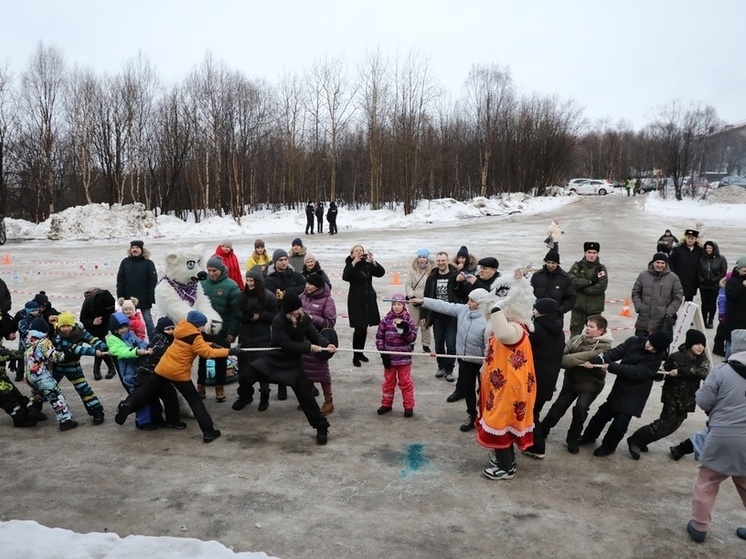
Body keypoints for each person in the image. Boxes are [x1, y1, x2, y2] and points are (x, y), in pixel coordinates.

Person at [231, 293, 335, 445]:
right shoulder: (278, 320)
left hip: (293, 363)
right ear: (288, 311)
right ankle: (246, 396)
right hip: (275, 358)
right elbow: (285, 344)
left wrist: (326, 344)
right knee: (246, 376)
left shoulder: (303, 318)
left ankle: (321, 427)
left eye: (300, 308)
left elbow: (314, 334)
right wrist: (310, 348)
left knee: (306, 397)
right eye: (296, 309)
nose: (299, 311)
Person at [115, 311, 232, 443]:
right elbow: (207, 352)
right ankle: (209, 431)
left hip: (163, 367)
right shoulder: (195, 336)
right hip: (179, 373)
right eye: (202, 325)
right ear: (197, 325)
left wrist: (210, 343)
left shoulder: (181, 328)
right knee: (194, 401)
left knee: (145, 390)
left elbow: (192, 344)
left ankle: (127, 405)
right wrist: (230, 351)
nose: (203, 328)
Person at [475, 269, 537, 481]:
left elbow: (502, 333)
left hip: (510, 390)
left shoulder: (517, 329)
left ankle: (506, 468)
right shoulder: (508, 325)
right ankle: (505, 461)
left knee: (501, 424)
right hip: (501, 387)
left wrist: (495, 306)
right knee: (502, 425)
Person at [686, 329, 746, 544]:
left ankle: (699, 527)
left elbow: (703, 400)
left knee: (707, 480)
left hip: (722, 435)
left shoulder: (721, 371)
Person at [578, 331, 670, 457]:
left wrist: (611, 366)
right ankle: (588, 437)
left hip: (635, 394)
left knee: (620, 423)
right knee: (602, 415)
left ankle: (608, 447)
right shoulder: (633, 341)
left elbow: (635, 372)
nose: (651, 348)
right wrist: (599, 359)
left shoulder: (656, 359)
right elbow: (616, 352)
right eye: (651, 344)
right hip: (620, 389)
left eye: (655, 348)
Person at [411, 288, 488, 431]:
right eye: (469, 299)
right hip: (465, 360)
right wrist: (424, 301)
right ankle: (472, 414)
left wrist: (486, 366)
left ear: (481, 304)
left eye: (472, 301)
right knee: (468, 388)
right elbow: (444, 306)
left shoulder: (488, 321)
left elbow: (489, 347)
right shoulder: (463, 310)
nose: (468, 303)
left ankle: (486, 418)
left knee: (484, 391)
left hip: (482, 362)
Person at [626, 329, 709, 460]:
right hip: (672, 396)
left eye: (703, 345)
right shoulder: (676, 356)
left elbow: (704, 372)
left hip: (687, 399)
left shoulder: (702, 360)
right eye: (697, 344)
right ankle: (636, 440)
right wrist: (660, 374)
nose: (700, 347)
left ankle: (641, 440)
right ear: (689, 344)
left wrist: (680, 371)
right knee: (665, 424)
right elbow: (663, 372)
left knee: (673, 425)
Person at [540, 315, 614, 454]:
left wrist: (561, 360)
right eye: (587, 325)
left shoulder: (605, 347)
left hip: (591, 385)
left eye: (591, 327)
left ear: (601, 331)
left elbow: (577, 357)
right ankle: (542, 431)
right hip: (572, 381)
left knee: (580, 409)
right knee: (558, 407)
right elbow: (563, 351)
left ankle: (573, 439)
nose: (587, 328)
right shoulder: (576, 339)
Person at [523, 298, 566, 459]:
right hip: (549, 381)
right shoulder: (559, 331)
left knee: (530, 414)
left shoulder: (537, 329)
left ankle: (538, 446)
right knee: (535, 412)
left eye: (536, 309)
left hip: (534, 380)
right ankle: (532, 443)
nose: (533, 311)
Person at [50, 312, 107, 426]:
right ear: (59, 327)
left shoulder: (80, 332)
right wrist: (94, 352)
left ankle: (97, 411)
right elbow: (76, 349)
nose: (66, 329)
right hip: (57, 368)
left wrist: (102, 346)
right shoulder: (57, 337)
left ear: (73, 325)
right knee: (47, 388)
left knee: (84, 389)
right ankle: (33, 408)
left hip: (74, 367)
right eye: (63, 326)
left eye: (68, 326)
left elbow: (91, 339)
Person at [234, 266, 279, 411]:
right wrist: (246, 316)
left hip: (263, 338)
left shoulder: (269, 296)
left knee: (263, 370)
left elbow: (274, 315)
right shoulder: (242, 295)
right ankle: (245, 396)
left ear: (258, 281)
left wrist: (260, 316)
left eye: (252, 280)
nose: (249, 283)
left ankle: (264, 397)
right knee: (244, 371)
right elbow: (237, 311)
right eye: (247, 280)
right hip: (246, 337)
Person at [197, 255, 240, 403]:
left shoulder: (231, 286)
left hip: (222, 330)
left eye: (214, 270)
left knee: (221, 359)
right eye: (209, 270)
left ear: (221, 270)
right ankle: (200, 385)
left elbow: (236, 312)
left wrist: (233, 332)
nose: (211, 273)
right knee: (202, 358)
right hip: (204, 330)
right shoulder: (202, 284)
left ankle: (219, 387)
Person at [24, 316, 78, 431]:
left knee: (38, 392)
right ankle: (65, 421)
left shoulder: (29, 340)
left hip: (29, 375)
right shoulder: (44, 342)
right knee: (56, 396)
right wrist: (69, 355)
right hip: (41, 375)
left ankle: (33, 411)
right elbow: (54, 356)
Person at [106, 311, 155, 429]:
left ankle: (125, 406)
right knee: (139, 398)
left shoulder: (131, 333)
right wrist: (136, 352)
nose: (124, 330)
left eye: (125, 327)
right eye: (120, 328)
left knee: (144, 395)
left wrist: (147, 347)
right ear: (114, 329)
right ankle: (142, 422)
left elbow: (140, 342)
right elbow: (120, 352)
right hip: (128, 374)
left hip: (139, 370)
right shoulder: (112, 340)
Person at [300, 273, 337, 416]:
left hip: (319, 341)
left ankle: (329, 401)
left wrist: (312, 318)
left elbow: (330, 322)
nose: (307, 286)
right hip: (303, 340)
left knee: (321, 372)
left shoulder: (327, 300)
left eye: (310, 284)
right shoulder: (302, 296)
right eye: (307, 283)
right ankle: (308, 399)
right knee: (305, 371)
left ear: (318, 286)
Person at [343, 244, 385, 367]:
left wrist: (373, 261)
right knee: (359, 328)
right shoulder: (350, 265)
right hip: (356, 301)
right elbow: (345, 277)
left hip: (368, 299)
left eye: (361, 250)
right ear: (352, 254)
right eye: (356, 251)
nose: (359, 252)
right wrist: (354, 262)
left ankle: (361, 353)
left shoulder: (367, 265)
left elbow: (380, 273)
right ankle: (355, 355)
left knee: (365, 327)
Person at [376, 293, 417, 417]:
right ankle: (386, 404)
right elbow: (379, 337)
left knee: (405, 383)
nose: (397, 307)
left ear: (404, 305)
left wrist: (406, 330)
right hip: (390, 359)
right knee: (388, 383)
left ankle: (409, 406)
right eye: (394, 304)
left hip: (404, 360)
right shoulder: (386, 320)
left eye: (399, 304)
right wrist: (383, 353)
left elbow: (412, 338)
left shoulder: (408, 320)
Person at [421, 251, 458, 380]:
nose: (441, 263)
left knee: (451, 344)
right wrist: (423, 316)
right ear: (436, 262)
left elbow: (461, 293)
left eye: (443, 260)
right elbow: (426, 297)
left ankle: (449, 370)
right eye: (439, 261)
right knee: (438, 344)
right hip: (437, 316)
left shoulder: (455, 275)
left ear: (447, 261)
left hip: (452, 315)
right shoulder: (432, 277)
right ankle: (441, 366)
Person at [630, 252, 684, 337]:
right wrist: (640, 307)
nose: (660, 265)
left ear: (666, 264)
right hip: (643, 322)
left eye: (663, 263)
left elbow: (678, 297)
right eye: (658, 262)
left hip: (662, 323)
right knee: (639, 347)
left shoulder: (673, 278)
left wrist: (668, 313)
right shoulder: (643, 275)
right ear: (653, 263)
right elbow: (636, 292)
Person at [116, 240, 158, 340]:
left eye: (137, 248)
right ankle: (126, 340)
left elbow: (153, 281)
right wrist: (121, 297)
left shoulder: (148, 263)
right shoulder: (125, 262)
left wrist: (151, 297)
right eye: (133, 248)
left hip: (144, 297)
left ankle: (153, 341)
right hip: (128, 299)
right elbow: (120, 280)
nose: (134, 250)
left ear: (141, 250)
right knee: (125, 321)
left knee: (148, 320)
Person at [568, 242, 608, 336]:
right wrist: (588, 282)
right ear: (585, 253)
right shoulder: (578, 266)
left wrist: (584, 289)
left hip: (595, 308)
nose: (591, 255)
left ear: (597, 254)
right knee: (575, 333)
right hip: (579, 307)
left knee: (595, 334)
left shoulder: (600, 268)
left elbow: (602, 285)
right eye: (589, 252)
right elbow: (571, 280)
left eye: (594, 253)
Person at [79, 288, 117, 380]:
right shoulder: (89, 302)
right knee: (100, 346)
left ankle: (99, 370)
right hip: (91, 328)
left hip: (103, 327)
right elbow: (82, 319)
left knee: (99, 346)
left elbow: (111, 315)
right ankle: (105, 368)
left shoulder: (110, 302)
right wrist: (93, 322)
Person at [0, 347, 42, 427]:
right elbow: (9, 354)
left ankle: (26, 412)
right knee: (9, 401)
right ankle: (20, 419)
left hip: (3, 380)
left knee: (21, 400)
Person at [531, 250, 576, 319]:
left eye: (553, 263)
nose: (550, 265)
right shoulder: (537, 276)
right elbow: (529, 294)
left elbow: (571, 299)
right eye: (548, 262)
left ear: (558, 263)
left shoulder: (565, 278)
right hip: (537, 315)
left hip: (555, 318)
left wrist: (560, 310)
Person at [405, 249, 435, 353]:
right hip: (414, 299)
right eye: (419, 257)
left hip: (426, 299)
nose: (421, 259)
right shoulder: (412, 270)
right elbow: (408, 284)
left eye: (423, 257)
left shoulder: (432, 270)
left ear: (427, 258)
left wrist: (430, 298)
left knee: (425, 322)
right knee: (413, 323)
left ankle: (426, 344)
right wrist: (411, 296)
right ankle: (411, 342)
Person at [698, 241, 727, 329]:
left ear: (714, 248)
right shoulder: (702, 258)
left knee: (712, 303)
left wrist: (715, 280)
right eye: (707, 248)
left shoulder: (721, 258)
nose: (708, 250)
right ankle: (703, 319)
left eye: (710, 248)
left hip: (714, 285)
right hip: (704, 285)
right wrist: (702, 280)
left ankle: (710, 320)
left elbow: (723, 272)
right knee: (704, 303)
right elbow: (698, 271)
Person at [669, 229, 704, 302]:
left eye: (692, 238)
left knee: (689, 302)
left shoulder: (699, 250)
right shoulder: (678, 249)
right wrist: (673, 274)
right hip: (679, 279)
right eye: (688, 238)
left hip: (692, 280)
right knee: (676, 299)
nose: (690, 240)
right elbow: (670, 262)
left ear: (695, 239)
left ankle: (686, 313)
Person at [723, 257, 746, 358]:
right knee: (731, 345)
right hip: (734, 319)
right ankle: (729, 363)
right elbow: (731, 296)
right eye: (744, 267)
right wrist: (742, 286)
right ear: (739, 268)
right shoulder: (732, 280)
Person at [12, 300, 40, 381]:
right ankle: (19, 374)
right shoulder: (22, 317)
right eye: (33, 310)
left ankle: (32, 374)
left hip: (35, 342)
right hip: (24, 342)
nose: (35, 312)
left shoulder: (38, 317)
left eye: (36, 310)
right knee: (21, 357)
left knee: (33, 358)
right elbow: (22, 329)